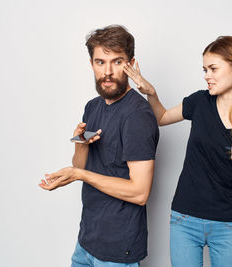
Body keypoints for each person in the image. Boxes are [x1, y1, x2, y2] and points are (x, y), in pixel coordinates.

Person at [124, 36, 232, 267]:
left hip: (226, 225)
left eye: (213, 69)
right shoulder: (200, 102)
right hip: (184, 219)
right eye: (205, 69)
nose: (207, 75)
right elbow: (161, 118)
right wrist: (151, 92)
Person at [39, 25, 159, 267]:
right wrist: (80, 144)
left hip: (116, 250)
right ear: (91, 64)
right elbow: (80, 165)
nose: (108, 72)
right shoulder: (92, 106)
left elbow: (140, 192)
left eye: (117, 62)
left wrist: (79, 174)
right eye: (100, 62)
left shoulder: (137, 115)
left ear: (131, 64)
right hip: (87, 240)